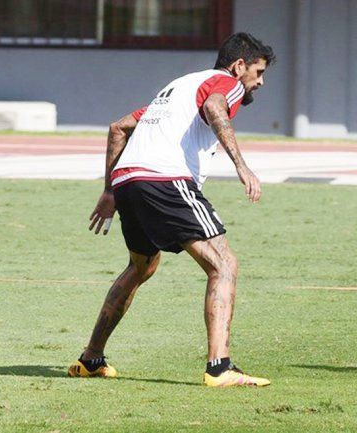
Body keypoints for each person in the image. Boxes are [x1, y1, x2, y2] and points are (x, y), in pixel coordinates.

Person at [68, 33, 275, 387]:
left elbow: (119, 127)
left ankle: (90, 359)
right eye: (258, 72)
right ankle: (220, 367)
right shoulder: (226, 82)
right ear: (240, 66)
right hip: (166, 180)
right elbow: (214, 108)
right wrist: (242, 166)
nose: (259, 82)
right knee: (223, 264)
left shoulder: (179, 87)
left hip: (129, 182)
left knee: (141, 266)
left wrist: (109, 190)